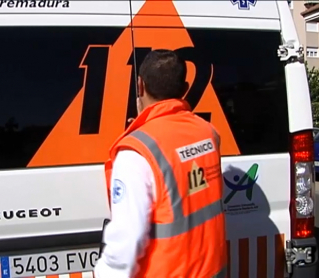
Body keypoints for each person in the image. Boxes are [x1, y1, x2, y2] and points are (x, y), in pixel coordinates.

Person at [94, 49, 227, 278]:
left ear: (139, 86)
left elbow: (127, 238)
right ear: (185, 90)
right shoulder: (208, 132)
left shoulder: (136, 152)